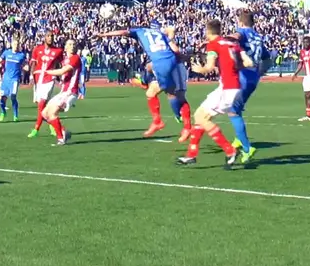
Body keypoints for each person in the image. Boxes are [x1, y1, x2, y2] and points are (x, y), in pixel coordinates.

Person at [177, 20, 252, 168]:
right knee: (200, 116)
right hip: (233, 86)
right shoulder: (232, 44)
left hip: (227, 89)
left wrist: (201, 70)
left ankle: (229, 150)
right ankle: (191, 155)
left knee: (200, 117)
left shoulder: (213, 44)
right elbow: (248, 62)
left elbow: (209, 66)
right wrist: (228, 67)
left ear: (208, 31)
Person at [97, 22, 191, 138]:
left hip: (165, 64)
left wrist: (103, 34)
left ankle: (184, 126)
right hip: (169, 63)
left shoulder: (140, 31)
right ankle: (160, 121)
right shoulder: (160, 34)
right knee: (151, 92)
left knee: (174, 95)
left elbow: (122, 32)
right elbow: (174, 47)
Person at [226, 10, 270, 163]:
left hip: (243, 77)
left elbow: (236, 37)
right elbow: (267, 59)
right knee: (236, 109)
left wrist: (223, 40)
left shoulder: (242, 32)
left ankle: (247, 147)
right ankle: (239, 138)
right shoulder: (258, 37)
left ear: (240, 22)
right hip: (253, 78)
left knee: (232, 111)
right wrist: (260, 72)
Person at [41, 39, 82, 146]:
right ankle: (64, 132)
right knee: (44, 114)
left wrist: (47, 72)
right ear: (65, 47)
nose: (72, 46)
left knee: (52, 113)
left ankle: (61, 139)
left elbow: (63, 71)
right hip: (63, 92)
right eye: (70, 44)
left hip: (70, 92)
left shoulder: (75, 58)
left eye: (74, 44)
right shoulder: (64, 60)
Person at [27, 31, 63, 138]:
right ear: (44, 38)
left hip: (49, 79)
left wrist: (61, 77)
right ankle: (55, 127)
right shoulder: (37, 49)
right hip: (38, 79)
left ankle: (36, 129)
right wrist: (31, 75)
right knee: (44, 106)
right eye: (48, 36)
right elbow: (33, 63)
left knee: (41, 104)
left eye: (52, 36)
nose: (50, 38)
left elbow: (61, 64)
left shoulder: (58, 51)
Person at [0, 39, 27, 122]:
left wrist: (26, 67)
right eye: (14, 44)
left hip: (15, 79)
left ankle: (15, 115)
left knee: (13, 96)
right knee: (2, 98)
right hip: (6, 79)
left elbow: (25, 65)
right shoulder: (6, 53)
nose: (16, 46)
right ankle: (3, 112)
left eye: (17, 44)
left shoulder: (21, 55)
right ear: (11, 45)